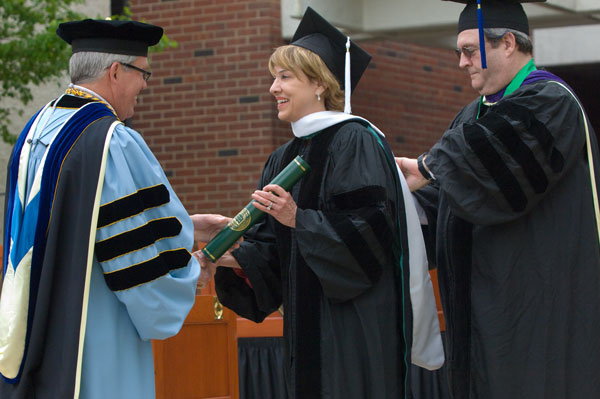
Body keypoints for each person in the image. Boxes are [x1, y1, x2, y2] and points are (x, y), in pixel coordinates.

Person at [209, 7, 442, 399]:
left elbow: (372, 233)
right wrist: (229, 256)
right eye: (273, 78)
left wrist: (299, 219)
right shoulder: (281, 157)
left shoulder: (356, 141)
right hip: (306, 327)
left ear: (319, 84)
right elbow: (271, 248)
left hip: (353, 327)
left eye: (285, 77)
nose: (273, 88)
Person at [0, 19, 229, 399]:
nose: (145, 85)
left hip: (40, 324)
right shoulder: (111, 140)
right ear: (116, 71)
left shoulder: (38, 130)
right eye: (144, 73)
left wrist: (185, 226)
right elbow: (132, 256)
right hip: (93, 332)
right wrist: (191, 272)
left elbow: (83, 223)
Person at [397, 1, 600, 398]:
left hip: (535, 307)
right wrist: (404, 205)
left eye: (470, 50)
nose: (461, 63)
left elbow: (487, 160)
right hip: (477, 310)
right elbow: (452, 194)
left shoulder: (551, 101)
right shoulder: (471, 117)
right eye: (459, 52)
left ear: (508, 43)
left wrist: (429, 165)